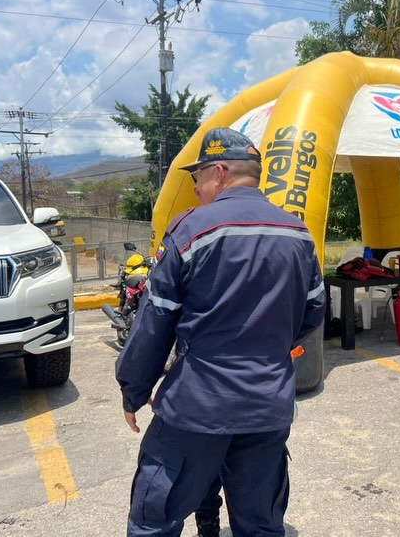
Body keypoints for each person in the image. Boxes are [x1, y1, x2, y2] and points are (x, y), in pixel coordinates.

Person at [115, 127, 326, 537]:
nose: (196, 190)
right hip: (268, 408)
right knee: (261, 524)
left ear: (221, 171)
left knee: (154, 518)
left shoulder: (190, 231)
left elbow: (153, 322)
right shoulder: (298, 234)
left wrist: (134, 390)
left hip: (198, 407)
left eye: (198, 179)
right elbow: (314, 311)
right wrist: (270, 349)